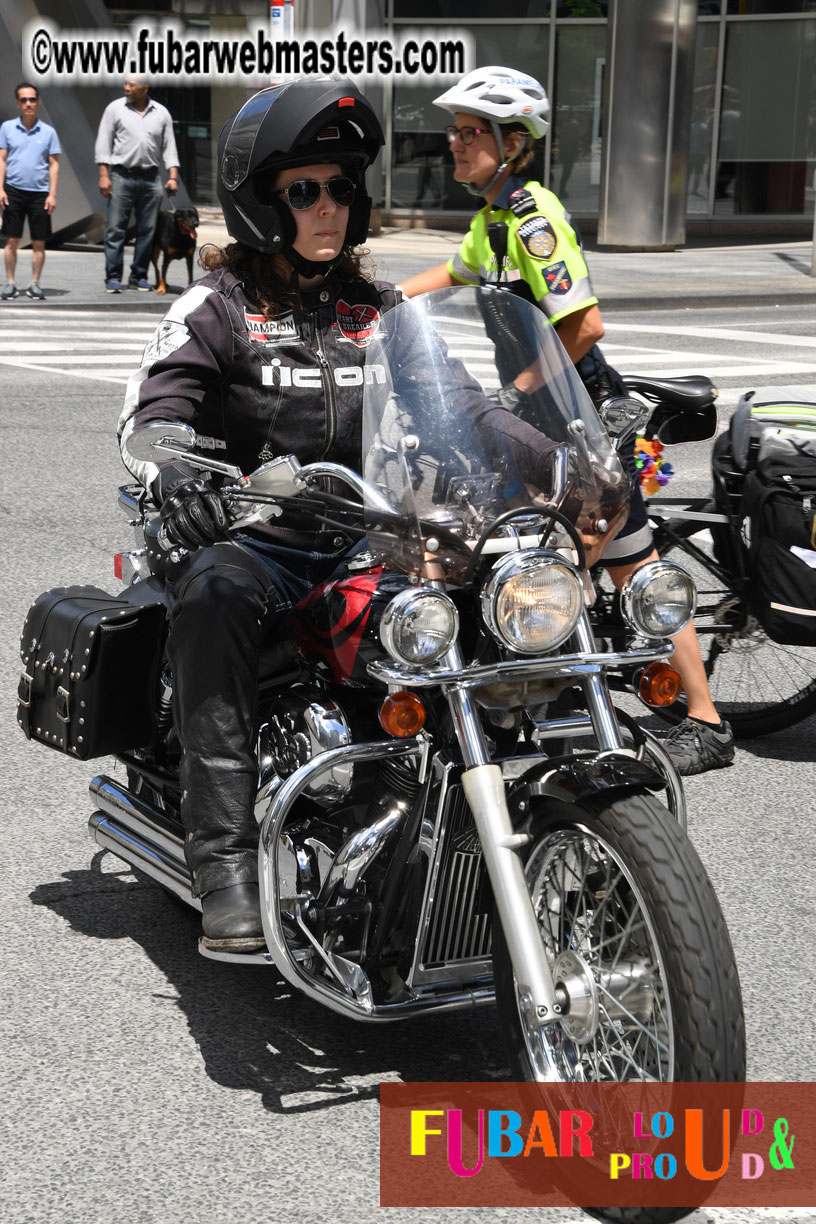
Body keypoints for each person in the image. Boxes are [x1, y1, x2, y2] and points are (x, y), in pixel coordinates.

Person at [117, 79, 562, 950]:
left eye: (342, 188)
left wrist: (564, 465)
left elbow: (466, 408)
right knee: (211, 592)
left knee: (500, 602)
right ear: (260, 203)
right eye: (305, 190)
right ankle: (226, 865)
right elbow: (152, 414)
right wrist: (177, 469)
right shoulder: (218, 311)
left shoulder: (382, 314)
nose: (330, 207)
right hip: (255, 538)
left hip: (369, 536)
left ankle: (457, 826)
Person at [400, 65, 735, 777]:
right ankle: (534, 691)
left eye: (470, 134)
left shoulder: (534, 219)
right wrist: (371, 299)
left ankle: (704, 723)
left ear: (513, 143)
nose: (454, 145)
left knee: (624, 559)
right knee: (529, 545)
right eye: (454, 132)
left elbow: (584, 325)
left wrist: (517, 391)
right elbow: (454, 275)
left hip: (584, 419)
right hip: (544, 418)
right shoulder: (493, 219)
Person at [94, 74, 179, 293]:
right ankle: (112, 277)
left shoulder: (161, 113)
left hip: (151, 178)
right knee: (115, 230)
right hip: (122, 176)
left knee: (147, 231)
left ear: (145, 88)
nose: (126, 88)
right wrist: (104, 175)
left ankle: (139, 276)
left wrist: (172, 176)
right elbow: (103, 143)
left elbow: (169, 147)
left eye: (132, 85)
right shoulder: (115, 109)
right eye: (125, 84)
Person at [0, 83, 60, 301]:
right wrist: (0, 189)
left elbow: (54, 164)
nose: (28, 104)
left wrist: (52, 194)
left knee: (38, 242)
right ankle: (10, 284)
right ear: (17, 103)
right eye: (24, 100)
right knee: (12, 240)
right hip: (13, 191)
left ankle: (35, 283)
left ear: (38, 102)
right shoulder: (7, 128)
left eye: (32, 99)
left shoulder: (48, 132)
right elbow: (2, 159)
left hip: (39, 194)